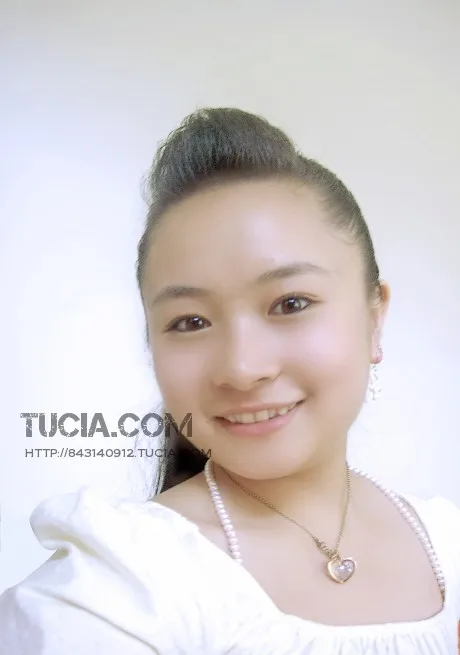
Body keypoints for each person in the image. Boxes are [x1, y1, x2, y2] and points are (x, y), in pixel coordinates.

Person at [1, 107, 459, 654]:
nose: (242, 368)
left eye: (291, 303)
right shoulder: (118, 582)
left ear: (374, 318)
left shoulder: (449, 543)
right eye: (190, 322)